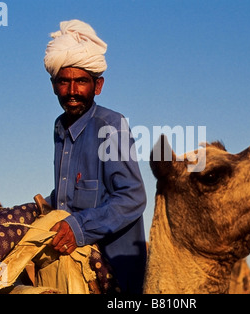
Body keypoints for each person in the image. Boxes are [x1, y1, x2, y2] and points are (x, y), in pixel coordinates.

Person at [43, 19, 148, 294]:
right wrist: (45, 207)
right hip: (73, 271)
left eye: (81, 82)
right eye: (64, 82)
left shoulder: (110, 125)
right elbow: (71, 195)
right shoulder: (60, 128)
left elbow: (132, 197)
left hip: (114, 274)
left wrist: (79, 227)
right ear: (53, 85)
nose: (73, 91)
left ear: (97, 85)